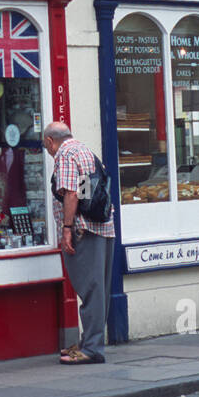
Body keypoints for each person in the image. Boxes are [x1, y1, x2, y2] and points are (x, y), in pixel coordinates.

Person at [43, 122, 115, 364]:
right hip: (103, 227)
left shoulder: (64, 155)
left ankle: (93, 349)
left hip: (84, 231)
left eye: (46, 146)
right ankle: (89, 342)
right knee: (99, 289)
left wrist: (66, 230)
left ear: (50, 141)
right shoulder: (84, 151)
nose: (48, 150)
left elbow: (71, 194)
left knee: (90, 290)